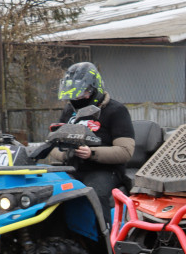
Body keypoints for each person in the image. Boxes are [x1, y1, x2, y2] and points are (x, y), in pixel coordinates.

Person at [49, 62, 135, 216]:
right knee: (46, 192)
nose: (77, 99)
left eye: (82, 94)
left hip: (106, 171)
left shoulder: (116, 111)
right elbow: (52, 143)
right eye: (73, 95)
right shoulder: (70, 111)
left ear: (94, 89)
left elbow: (125, 151)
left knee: (92, 194)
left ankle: (105, 238)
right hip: (72, 168)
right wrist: (65, 154)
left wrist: (92, 153)